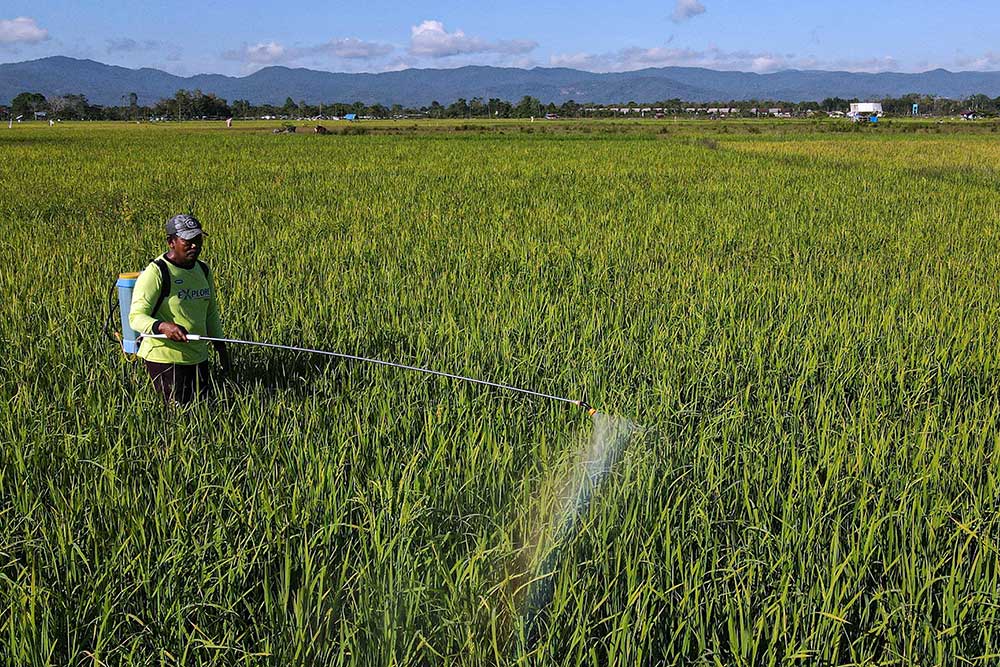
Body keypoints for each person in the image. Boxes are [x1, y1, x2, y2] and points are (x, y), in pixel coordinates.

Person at [129, 214, 230, 403]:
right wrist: (163, 326)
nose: (195, 246)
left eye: (198, 240)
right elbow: (136, 317)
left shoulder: (203, 270)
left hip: (198, 356)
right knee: (178, 418)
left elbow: (210, 312)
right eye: (188, 241)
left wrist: (221, 347)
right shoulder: (157, 272)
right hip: (165, 358)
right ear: (171, 242)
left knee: (202, 412)